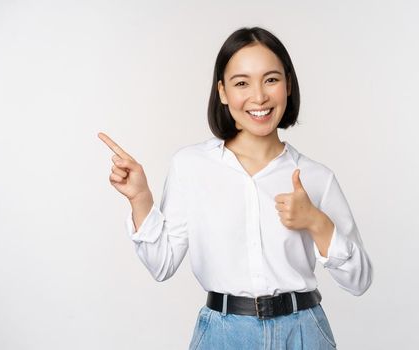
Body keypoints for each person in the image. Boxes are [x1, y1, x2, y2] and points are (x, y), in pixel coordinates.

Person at [98, 27, 372, 349]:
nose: (259, 97)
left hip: (303, 333)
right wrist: (141, 198)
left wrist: (316, 222)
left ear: (288, 86)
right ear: (223, 92)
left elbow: (359, 280)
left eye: (271, 79)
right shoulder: (191, 165)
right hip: (223, 335)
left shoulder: (316, 177)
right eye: (242, 83)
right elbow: (162, 265)